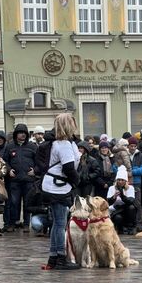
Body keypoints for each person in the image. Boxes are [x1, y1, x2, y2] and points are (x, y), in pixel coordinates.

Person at [42, 112, 80, 270]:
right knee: (59, 223)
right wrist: (76, 181)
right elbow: (69, 167)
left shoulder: (63, 143)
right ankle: (60, 257)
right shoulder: (63, 144)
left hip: (57, 185)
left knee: (58, 223)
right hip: (58, 186)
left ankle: (54, 257)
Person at [6, 123, 37, 231]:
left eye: (24, 133)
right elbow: (5, 161)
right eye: (20, 133)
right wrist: (9, 170)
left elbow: (38, 161)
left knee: (28, 202)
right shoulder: (9, 146)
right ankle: (13, 223)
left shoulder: (32, 146)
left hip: (28, 180)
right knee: (14, 203)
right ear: (16, 134)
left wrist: (35, 170)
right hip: (15, 180)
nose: (22, 135)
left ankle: (26, 224)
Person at [107, 167, 137, 234]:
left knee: (131, 208)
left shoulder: (130, 188)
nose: (120, 182)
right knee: (118, 218)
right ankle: (119, 228)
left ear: (126, 181)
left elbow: (130, 201)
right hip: (116, 211)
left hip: (126, 210)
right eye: (119, 180)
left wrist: (122, 196)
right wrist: (114, 197)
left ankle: (130, 227)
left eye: (122, 180)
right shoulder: (111, 188)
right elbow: (108, 203)